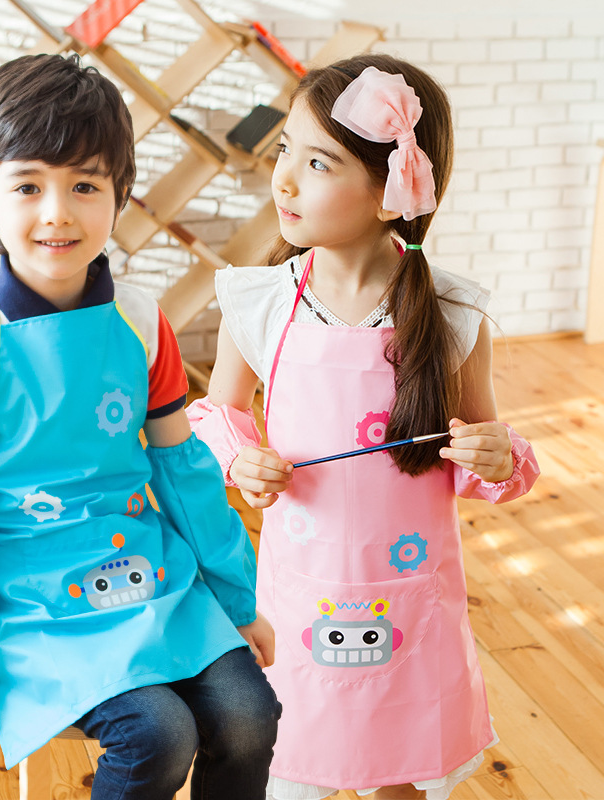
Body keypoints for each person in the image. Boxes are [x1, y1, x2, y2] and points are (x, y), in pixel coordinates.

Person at [0, 53, 280, 800]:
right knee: (158, 734)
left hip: (152, 575)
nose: (57, 212)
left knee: (249, 716)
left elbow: (185, 470)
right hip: (31, 604)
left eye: (84, 185)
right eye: (27, 186)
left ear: (119, 196)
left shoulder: (142, 323)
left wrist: (237, 599)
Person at [187, 54, 539, 800]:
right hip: (298, 590)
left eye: (318, 163)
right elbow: (218, 414)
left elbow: (488, 455)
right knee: (295, 764)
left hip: (413, 590)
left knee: (399, 773)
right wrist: (242, 459)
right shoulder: (260, 302)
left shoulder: (454, 315)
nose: (285, 180)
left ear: (391, 193)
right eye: (285, 150)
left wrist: (494, 455)